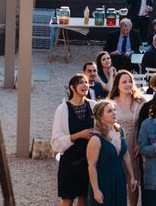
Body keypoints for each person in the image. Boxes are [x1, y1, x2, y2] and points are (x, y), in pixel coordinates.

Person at [51, 74, 95, 206]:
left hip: (90, 159)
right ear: (72, 87)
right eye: (81, 83)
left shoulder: (93, 105)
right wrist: (78, 135)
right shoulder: (63, 109)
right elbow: (55, 141)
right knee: (67, 199)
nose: (85, 85)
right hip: (70, 160)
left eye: (86, 82)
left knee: (84, 197)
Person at [87, 100, 137, 206]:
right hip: (103, 181)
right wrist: (96, 190)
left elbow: (126, 155)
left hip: (119, 178)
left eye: (114, 110)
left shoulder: (120, 131)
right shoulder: (96, 139)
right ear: (100, 116)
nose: (114, 113)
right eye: (109, 111)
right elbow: (92, 166)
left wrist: (132, 176)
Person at [108, 71, 144, 206]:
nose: (128, 84)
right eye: (124, 81)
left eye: (130, 81)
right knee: (117, 179)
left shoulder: (139, 101)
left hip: (134, 143)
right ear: (117, 85)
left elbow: (146, 125)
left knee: (133, 181)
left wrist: (141, 143)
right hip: (116, 143)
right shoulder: (111, 103)